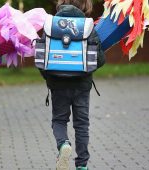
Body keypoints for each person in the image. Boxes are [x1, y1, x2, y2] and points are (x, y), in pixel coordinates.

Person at [40, 0, 105, 169]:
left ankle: (63, 144)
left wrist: (49, 77)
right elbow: (99, 59)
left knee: (59, 120)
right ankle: (82, 165)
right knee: (81, 124)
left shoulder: (50, 25)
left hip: (57, 83)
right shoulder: (88, 26)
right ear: (85, 5)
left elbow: (40, 56)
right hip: (82, 84)